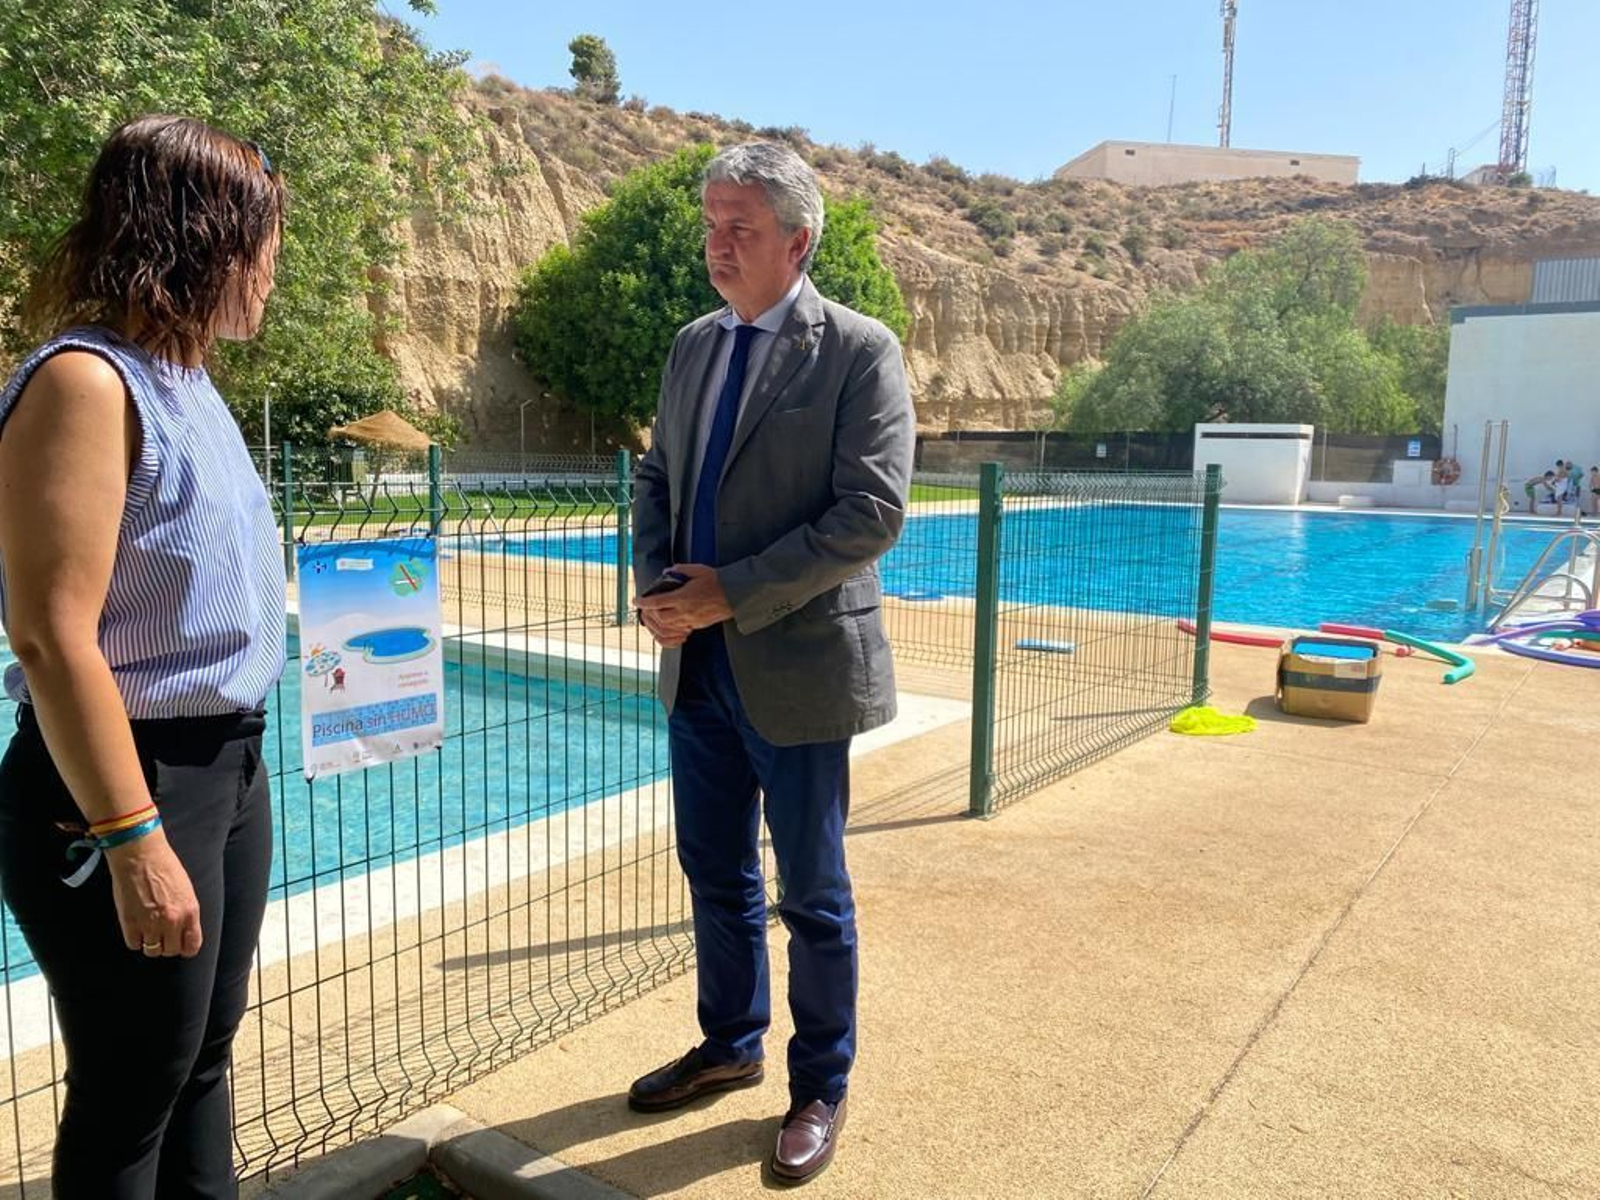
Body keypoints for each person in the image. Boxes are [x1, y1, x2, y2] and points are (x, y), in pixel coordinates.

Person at [0, 115, 287, 1198]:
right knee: (131, 1093)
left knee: (198, 1065)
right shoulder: (85, 384)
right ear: (201, 240)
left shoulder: (187, 382)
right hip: (126, 783)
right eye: (262, 248)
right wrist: (133, 837)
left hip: (225, 766)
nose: (270, 275)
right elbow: (49, 634)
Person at [629, 142, 915, 1185]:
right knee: (713, 869)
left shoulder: (858, 350)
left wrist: (732, 591)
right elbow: (657, 476)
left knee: (813, 891)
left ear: (797, 241)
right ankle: (729, 1042)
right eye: (711, 224)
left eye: (739, 226)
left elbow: (870, 511)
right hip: (697, 665)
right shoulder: (691, 346)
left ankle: (819, 1086)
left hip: (798, 666)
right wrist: (661, 587)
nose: (717, 244)